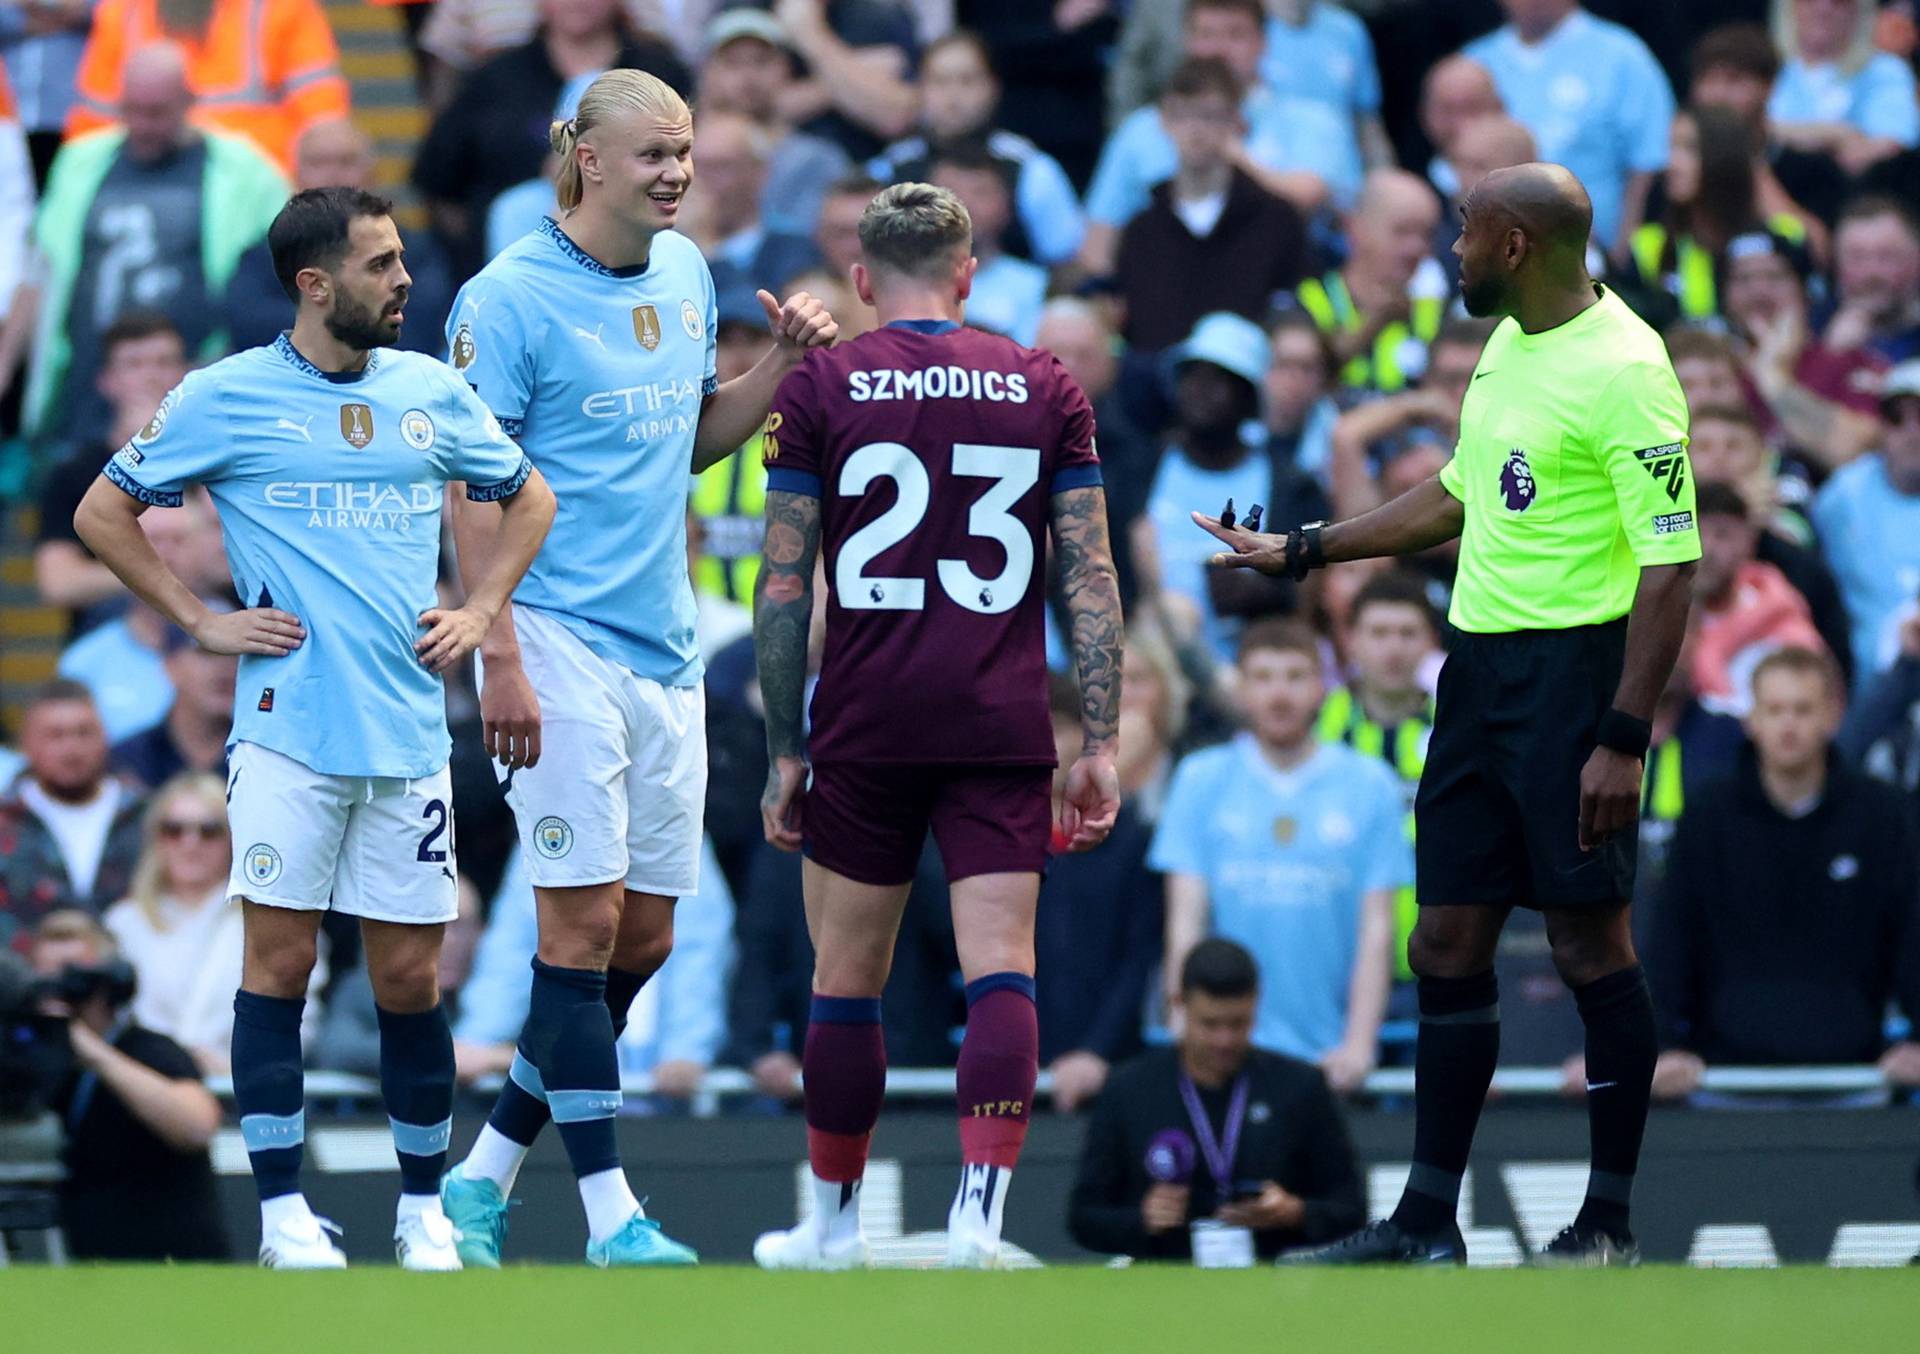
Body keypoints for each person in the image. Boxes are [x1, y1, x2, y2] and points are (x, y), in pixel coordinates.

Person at [1201, 163, 1700, 1266]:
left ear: (1516, 245)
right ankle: (1429, 1221)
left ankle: (1606, 1220)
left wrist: (1623, 735)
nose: (1452, 250)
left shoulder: (1630, 370)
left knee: (1585, 941)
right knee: (1446, 936)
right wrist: (1307, 546)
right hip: (1476, 674)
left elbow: (1671, 568)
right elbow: (1462, 493)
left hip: (1578, 679)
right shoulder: (1508, 343)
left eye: (1467, 230)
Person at [73, 185, 556, 1270]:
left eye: (399, 260)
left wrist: (480, 613)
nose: (404, 281)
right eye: (381, 264)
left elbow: (528, 498)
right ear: (315, 282)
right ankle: (285, 1215)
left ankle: (421, 1209)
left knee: (409, 981)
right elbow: (102, 510)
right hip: (287, 730)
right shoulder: (224, 396)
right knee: (278, 967)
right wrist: (199, 618)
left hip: (408, 735)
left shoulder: (430, 390)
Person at [437, 69, 835, 1270]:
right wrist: (495, 648)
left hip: (661, 642)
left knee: (644, 939)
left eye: (686, 150)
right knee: (582, 923)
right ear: (589, 160)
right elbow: (470, 483)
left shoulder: (688, 274)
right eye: (655, 153)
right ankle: (614, 1217)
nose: (678, 171)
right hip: (550, 635)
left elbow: (694, 437)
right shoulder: (502, 300)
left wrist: (780, 371)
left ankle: (483, 1171)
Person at [747, 179, 1123, 1270]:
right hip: (999, 717)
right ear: (968, 274)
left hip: (867, 717)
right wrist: (1099, 738)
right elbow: (1088, 576)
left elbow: (782, 589)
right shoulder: (1042, 381)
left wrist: (784, 747)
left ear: (862, 281)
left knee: (845, 976)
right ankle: (979, 1220)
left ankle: (829, 1226)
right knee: (1001, 965)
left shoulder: (824, 382)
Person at [1646, 647, 1920, 1096]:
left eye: (1802, 709)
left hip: (1858, 1079)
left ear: (1833, 715)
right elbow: (1672, 937)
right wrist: (1664, 1045)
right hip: (1721, 1081)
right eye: (1774, 709)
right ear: (1751, 718)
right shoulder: (1707, 815)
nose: (1788, 725)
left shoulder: (1881, 816)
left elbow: (1911, 933)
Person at [1153, 619, 1404, 1090]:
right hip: (1222, 1049)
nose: (1279, 694)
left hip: (1329, 1058)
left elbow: (1378, 926)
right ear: (1241, 689)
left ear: (1322, 687)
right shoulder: (1199, 778)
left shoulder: (1371, 784)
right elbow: (1185, 918)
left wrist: (1359, 1043)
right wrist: (1183, 1022)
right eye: (1264, 678)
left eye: (1294, 676)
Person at [10, 42, 289, 449]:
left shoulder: (247, 172)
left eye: (156, 111)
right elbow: (41, 269)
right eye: (131, 110)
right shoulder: (79, 162)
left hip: (201, 398)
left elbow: (275, 284)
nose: (142, 124)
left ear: (189, 100)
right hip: (84, 394)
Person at [1067, 938, 1366, 1263]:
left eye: (1238, 1024)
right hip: (1165, 1281)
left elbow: (1352, 1209)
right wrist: (1143, 1219)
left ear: (1256, 1003)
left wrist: (1294, 1212)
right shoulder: (1129, 1088)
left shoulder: (1299, 1087)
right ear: (1179, 1004)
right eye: (1209, 1024)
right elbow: (1083, 1217)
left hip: (1274, 1279)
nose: (1224, 1040)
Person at [411, 0, 692, 281]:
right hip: (507, 264)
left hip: (644, 265)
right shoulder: (496, 79)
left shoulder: (659, 73)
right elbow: (439, 178)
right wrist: (468, 254)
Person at [1081, 0, 1357, 276]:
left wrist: (1229, 149)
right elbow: (1098, 244)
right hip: (1166, 286)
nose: (1220, 50)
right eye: (1207, 35)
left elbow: (1306, 200)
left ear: (1263, 42)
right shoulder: (1141, 130)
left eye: (1235, 35)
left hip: (1282, 288)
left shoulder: (1312, 120)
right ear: (1187, 42)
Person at [30, 910, 227, 1261]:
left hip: (170, 1262)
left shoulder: (151, 1050)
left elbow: (196, 1126)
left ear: (111, 982)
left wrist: (94, 1053)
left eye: (73, 975)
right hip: (85, 1264)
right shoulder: (36, 1061)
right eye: (48, 976)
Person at [1141, 313, 1330, 663]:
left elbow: (1308, 601)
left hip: (1250, 673)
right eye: (1192, 376)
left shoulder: (1292, 487)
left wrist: (1264, 594)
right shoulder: (1140, 469)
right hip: (1150, 671)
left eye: (1219, 380)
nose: (1200, 390)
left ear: (1248, 399)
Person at [103, 772, 320, 1073]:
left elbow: (299, 1021)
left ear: (234, 837)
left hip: (244, 1089)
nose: (190, 844)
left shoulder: (277, 921)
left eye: (209, 830)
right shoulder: (121, 924)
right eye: (174, 830)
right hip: (142, 1094)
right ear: (155, 838)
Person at [1112, 56, 1307, 355]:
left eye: (1210, 115)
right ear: (1163, 121)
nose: (1196, 130)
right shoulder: (1141, 230)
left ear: (1236, 121)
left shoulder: (1277, 221)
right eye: (1182, 115)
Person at [1036, 674, 1161, 1115]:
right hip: (1017, 1065)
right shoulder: (988, 842)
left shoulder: (1131, 841)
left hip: (1115, 1066)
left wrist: (1097, 1051)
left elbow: (1139, 956)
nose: (1041, 741)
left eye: (1054, 725)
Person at [1461, 0, 1674, 258]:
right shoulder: (1474, 62)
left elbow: (1646, 167)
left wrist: (1621, 259)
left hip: (1591, 260)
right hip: (1492, 257)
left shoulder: (1622, 56)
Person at [227, 118, 454, 357]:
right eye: (318, 163)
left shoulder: (416, 253)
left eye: (347, 161)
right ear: (295, 176)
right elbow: (249, 326)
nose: (333, 175)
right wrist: (357, 319)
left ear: (372, 173)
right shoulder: (263, 256)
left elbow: (420, 329)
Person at [868, 29, 1085, 267]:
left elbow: (1066, 259)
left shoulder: (1030, 168)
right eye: (940, 81)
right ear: (920, 88)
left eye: (967, 80)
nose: (953, 96)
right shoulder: (890, 168)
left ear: (993, 88)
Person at [34, 311, 189, 632]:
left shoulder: (216, 462)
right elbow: (58, 583)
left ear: (186, 374)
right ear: (106, 381)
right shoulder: (73, 473)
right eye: (134, 364)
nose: (151, 377)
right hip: (108, 636)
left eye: (164, 362)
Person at [65, 0, 351, 173]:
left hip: (259, 194)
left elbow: (324, 122)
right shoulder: (123, 12)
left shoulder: (281, 7)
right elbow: (92, 129)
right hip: (150, 183)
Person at [1627, 104, 1812, 324]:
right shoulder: (1648, 245)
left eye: (1689, 149)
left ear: (1725, 154)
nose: (1671, 163)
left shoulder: (1784, 235)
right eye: (1670, 148)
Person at [0, 681, 147, 947]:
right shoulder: (5, 822)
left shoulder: (148, 817)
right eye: (56, 735)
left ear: (105, 738)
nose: (72, 747)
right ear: (27, 744)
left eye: (84, 733)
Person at [694, 8, 851, 239]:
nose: (748, 76)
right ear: (707, 72)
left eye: (761, 61)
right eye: (732, 63)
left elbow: (810, 245)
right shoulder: (684, 155)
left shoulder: (817, 160)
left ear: (785, 69)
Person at [1288, 169, 1445, 394]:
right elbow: (1300, 386)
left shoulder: (1434, 308)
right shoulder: (1308, 301)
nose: (1416, 248)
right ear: (1355, 229)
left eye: (1426, 235)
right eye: (1402, 232)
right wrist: (1374, 323)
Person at [1813, 359, 1920, 681]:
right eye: (1896, 418)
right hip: (1864, 686)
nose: (1912, 433)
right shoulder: (1842, 496)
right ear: (1881, 425)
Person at [1689, 23, 1849, 233]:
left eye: (1733, 80)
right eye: (1708, 80)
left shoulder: (1809, 169)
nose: (1718, 94)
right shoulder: (1677, 165)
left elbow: (1816, 250)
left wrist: (1747, 163)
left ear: (1769, 87)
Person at [1690, 481, 1827, 714]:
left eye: (1722, 535)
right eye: (1696, 533)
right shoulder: (1661, 619)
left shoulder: (1784, 618)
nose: (1707, 549)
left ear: (1749, 542)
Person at [1768, 0, 1919, 176]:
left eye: (1840, 2)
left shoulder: (1885, 70)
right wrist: (1837, 134)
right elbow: (1738, 133)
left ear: (1861, 11)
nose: (1823, 8)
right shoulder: (1765, 65)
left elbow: (1890, 148)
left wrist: (1778, 135)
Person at [691, 110, 823, 298]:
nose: (699, 180)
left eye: (720, 167)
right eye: (694, 166)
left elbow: (755, 317)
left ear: (759, 173)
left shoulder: (792, 247)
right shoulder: (660, 243)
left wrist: (706, 246)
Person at [928, 139, 1047, 346]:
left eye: (980, 192)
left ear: (1006, 207)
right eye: (948, 193)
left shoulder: (1037, 287)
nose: (963, 206)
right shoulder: (894, 283)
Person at [110, 623, 237, 788]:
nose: (224, 666)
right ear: (170, 665)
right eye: (207, 651)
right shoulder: (129, 760)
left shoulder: (260, 757)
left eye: (234, 653)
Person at [1823, 196, 1920, 366]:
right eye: (1857, 257)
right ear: (1836, 263)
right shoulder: (1809, 327)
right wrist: (1829, 355)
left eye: (1886, 256)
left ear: (1916, 260)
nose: (1872, 272)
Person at [1419, 55, 1503, 202]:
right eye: (1447, 111)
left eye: (1473, 108)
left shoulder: (1531, 191)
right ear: (1425, 115)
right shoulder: (1415, 200)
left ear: (1499, 109)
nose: (1461, 125)